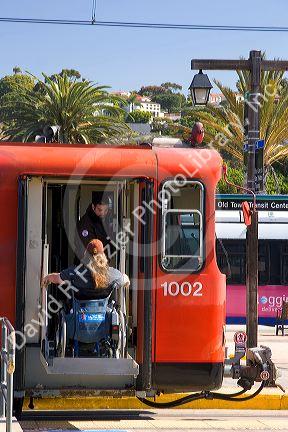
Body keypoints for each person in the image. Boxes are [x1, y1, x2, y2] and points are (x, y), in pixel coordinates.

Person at [42, 239, 128, 300]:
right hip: (103, 314)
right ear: (103, 256)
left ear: (85, 254)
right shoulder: (111, 273)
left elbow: (58, 279)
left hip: (80, 313)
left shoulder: (75, 272)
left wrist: (48, 277)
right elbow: (125, 280)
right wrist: (125, 278)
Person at [75, 192, 115, 261]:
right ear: (93, 207)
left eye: (106, 210)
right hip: (86, 265)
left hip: (101, 263)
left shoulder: (106, 220)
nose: (103, 213)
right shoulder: (85, 224)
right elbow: (88, 248)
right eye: (99, 210)